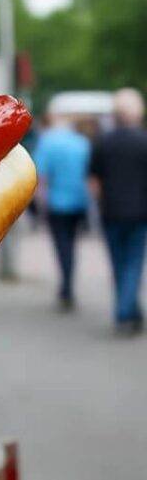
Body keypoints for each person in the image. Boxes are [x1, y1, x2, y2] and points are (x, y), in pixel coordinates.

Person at [89, 88, 147, 333]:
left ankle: (130, 310)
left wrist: (99, 204)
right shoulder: (145, 141)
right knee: (133, 263)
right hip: (140, 213)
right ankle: (126, 312)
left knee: (118, 263)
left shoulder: (103, 141)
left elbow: (94, 181)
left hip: (111, 213)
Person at [34, 114, 90, 309]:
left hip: (56, 203)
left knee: (61, 244)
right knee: (72, 244)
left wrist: (40, 204)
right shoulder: (82, 143)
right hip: (78, 201)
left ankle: (66, 283)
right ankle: (68, 280)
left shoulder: (47, 142)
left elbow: (41, 176)